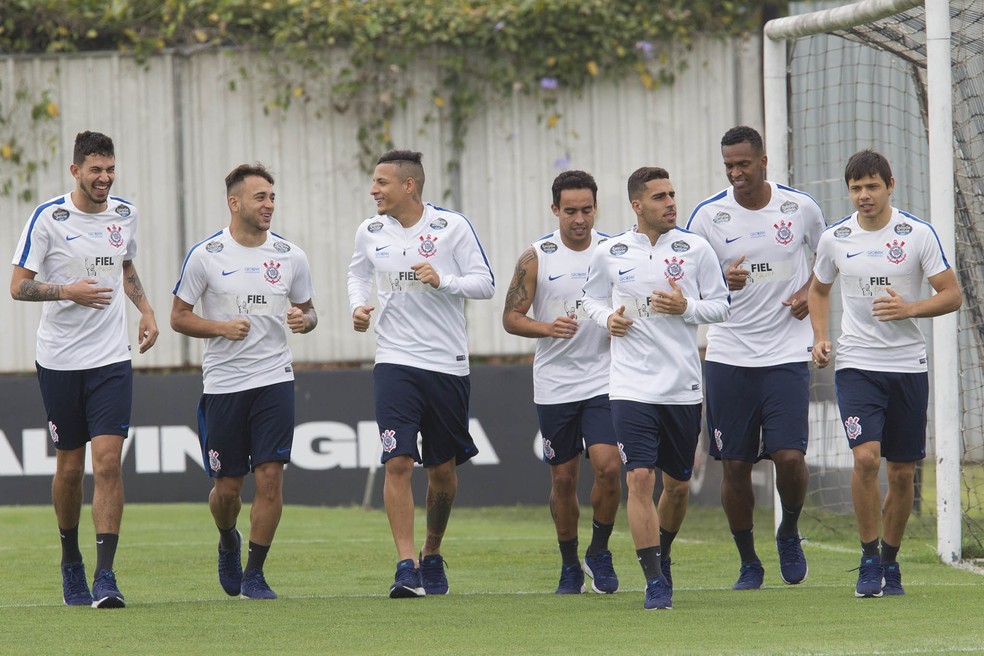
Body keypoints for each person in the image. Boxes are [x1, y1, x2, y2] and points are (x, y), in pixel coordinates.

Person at [9, 131, 159, 608]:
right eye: (95, 170)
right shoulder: (48, 219)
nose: (105, 178)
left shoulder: (124, 213)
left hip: (111, 358)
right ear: (75, 171)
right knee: (70, 467)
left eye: (110, 169)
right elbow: (17, 287)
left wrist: (147, 310)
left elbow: (125, 267)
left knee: (108, 462)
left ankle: (106, 575)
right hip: (58, 359)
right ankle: (70, 560)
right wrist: (67, 291)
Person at [809, 150, 961, 597]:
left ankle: (890, 564)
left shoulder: (916, 235)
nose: (863, 196)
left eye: (871, 186)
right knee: (866, 459)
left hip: (907, 366)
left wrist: (910, 308)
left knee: (901, 472)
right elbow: (818, 290)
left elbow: (952, 295)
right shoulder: (836, 239)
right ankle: (868, 557)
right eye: (856, 188)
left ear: (889, 185)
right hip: (857, 365)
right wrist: (819, 336)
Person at [347, 149, 495, 598]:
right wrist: (357, 305)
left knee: (443, 471)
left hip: (446, 364)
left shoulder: (452, 226)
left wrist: (443, 280)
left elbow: (485, 283)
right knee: (397, 461)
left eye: (382, 182)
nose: (374, 190)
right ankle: (405, 565)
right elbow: (358, 274)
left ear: (409, 186)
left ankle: (432, 552)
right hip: (394, 361)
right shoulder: (369, 231)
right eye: (374, 183)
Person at [581, 166, 730, 609]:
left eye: (672, 194)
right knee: (640, 478)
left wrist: (688, 307)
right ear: (637, 205)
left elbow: (721, 306)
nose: (670, 203)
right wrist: (606, 318)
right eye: (660, 197)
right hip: (630, 386)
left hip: (682, 387)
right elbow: (588, 298)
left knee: (678, 486)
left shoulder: (696, 249)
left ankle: (662, 555)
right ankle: (654, 581)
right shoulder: (611, 252)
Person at [686, 126, 826, 589]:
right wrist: (723, 281)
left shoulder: (799, 208)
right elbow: (687, 284)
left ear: (763, 161)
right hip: (728, 353)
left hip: (787, 350)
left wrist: (808, 290)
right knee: (737, 464)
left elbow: (830, 262)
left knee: (789, 456)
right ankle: (748, 559)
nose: (736, 173)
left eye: (744, 164)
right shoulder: (708, 216)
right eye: (729, 165)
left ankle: (788, 531)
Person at [171, 163, 317, 600]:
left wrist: (302, 319)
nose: (270, 204)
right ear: (235, 203)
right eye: (260, 197)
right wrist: (220, 328)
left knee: (270, 477)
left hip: (274, 378)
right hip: (224, 385)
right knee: (227, 491)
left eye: (272, 197)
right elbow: (179, 317)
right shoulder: (206, 255)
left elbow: (309, 313)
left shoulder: (291, 256)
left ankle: (255, 572)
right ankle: (227, 537)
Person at [502, 170, 622, 595]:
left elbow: (629, 305)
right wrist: (546, 328)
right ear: (555, 209)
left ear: (596, 208)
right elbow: (511, 319)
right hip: (555, 383)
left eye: (586, 210)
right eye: (570, 210)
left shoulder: (613, 251)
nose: (579, 219)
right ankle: (570, 563)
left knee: (609, 467)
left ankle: (600, 551)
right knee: (564, 480)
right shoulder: (536, 256)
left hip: (605, 379)